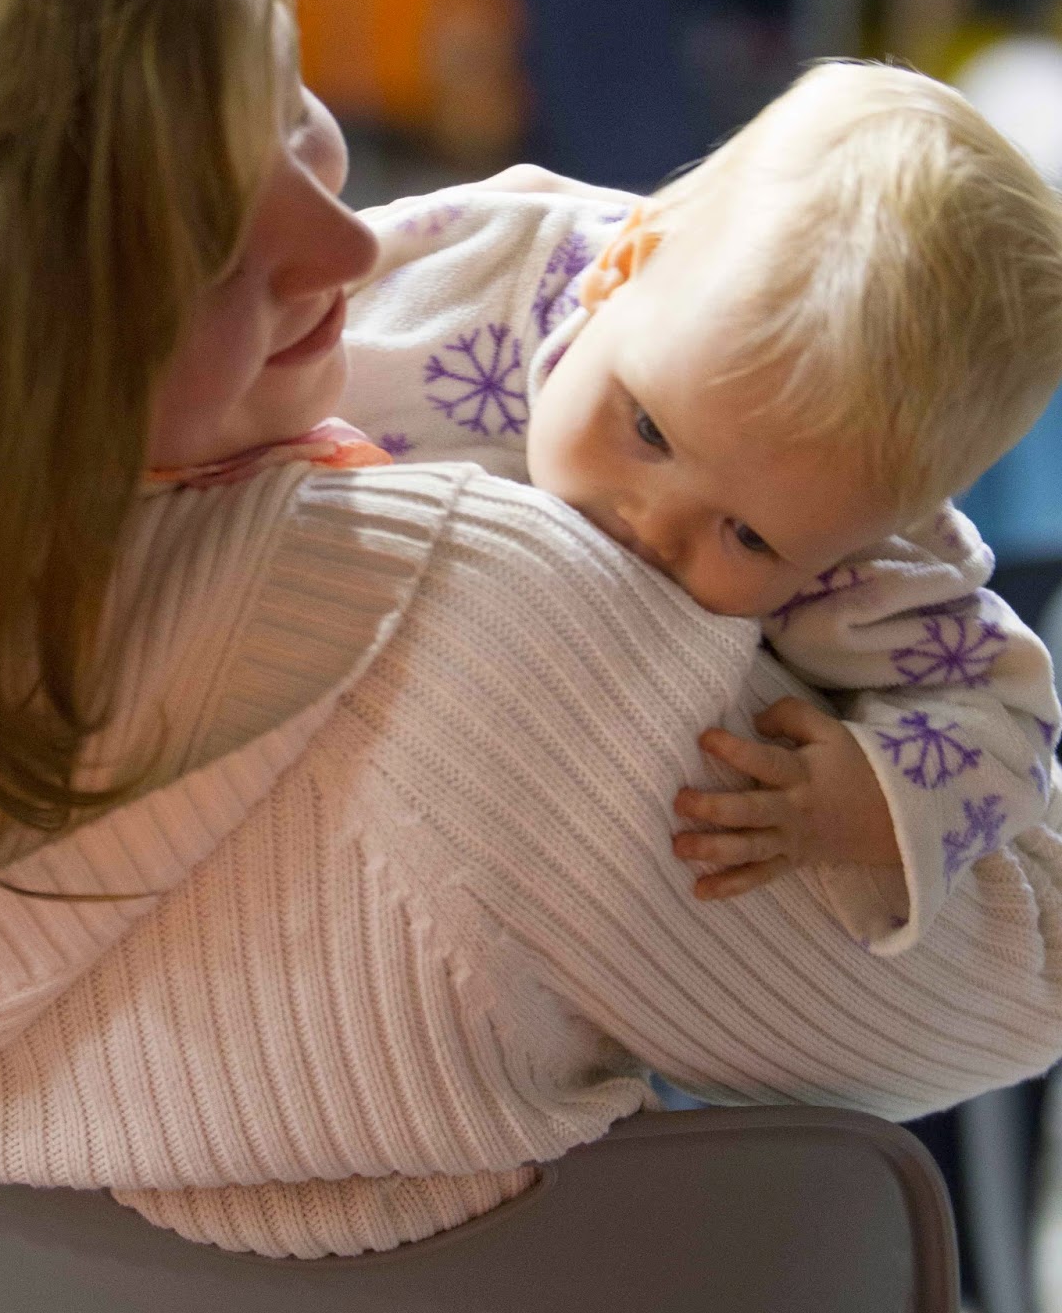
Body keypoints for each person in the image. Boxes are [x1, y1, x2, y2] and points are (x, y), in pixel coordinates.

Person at [0, 0, 1062, 1265]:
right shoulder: (496, 644)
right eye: (207, 222)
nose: (349, 245)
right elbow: (1021, 976)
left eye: (290, 104)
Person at [343, 62, 1062, 953]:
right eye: (649, 428)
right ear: (624, 268)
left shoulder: (864, 561)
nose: (651, 524)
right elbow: (267, 315)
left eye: (750, 537)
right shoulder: (475, 262)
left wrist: (864, 802)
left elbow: (1012, 728)